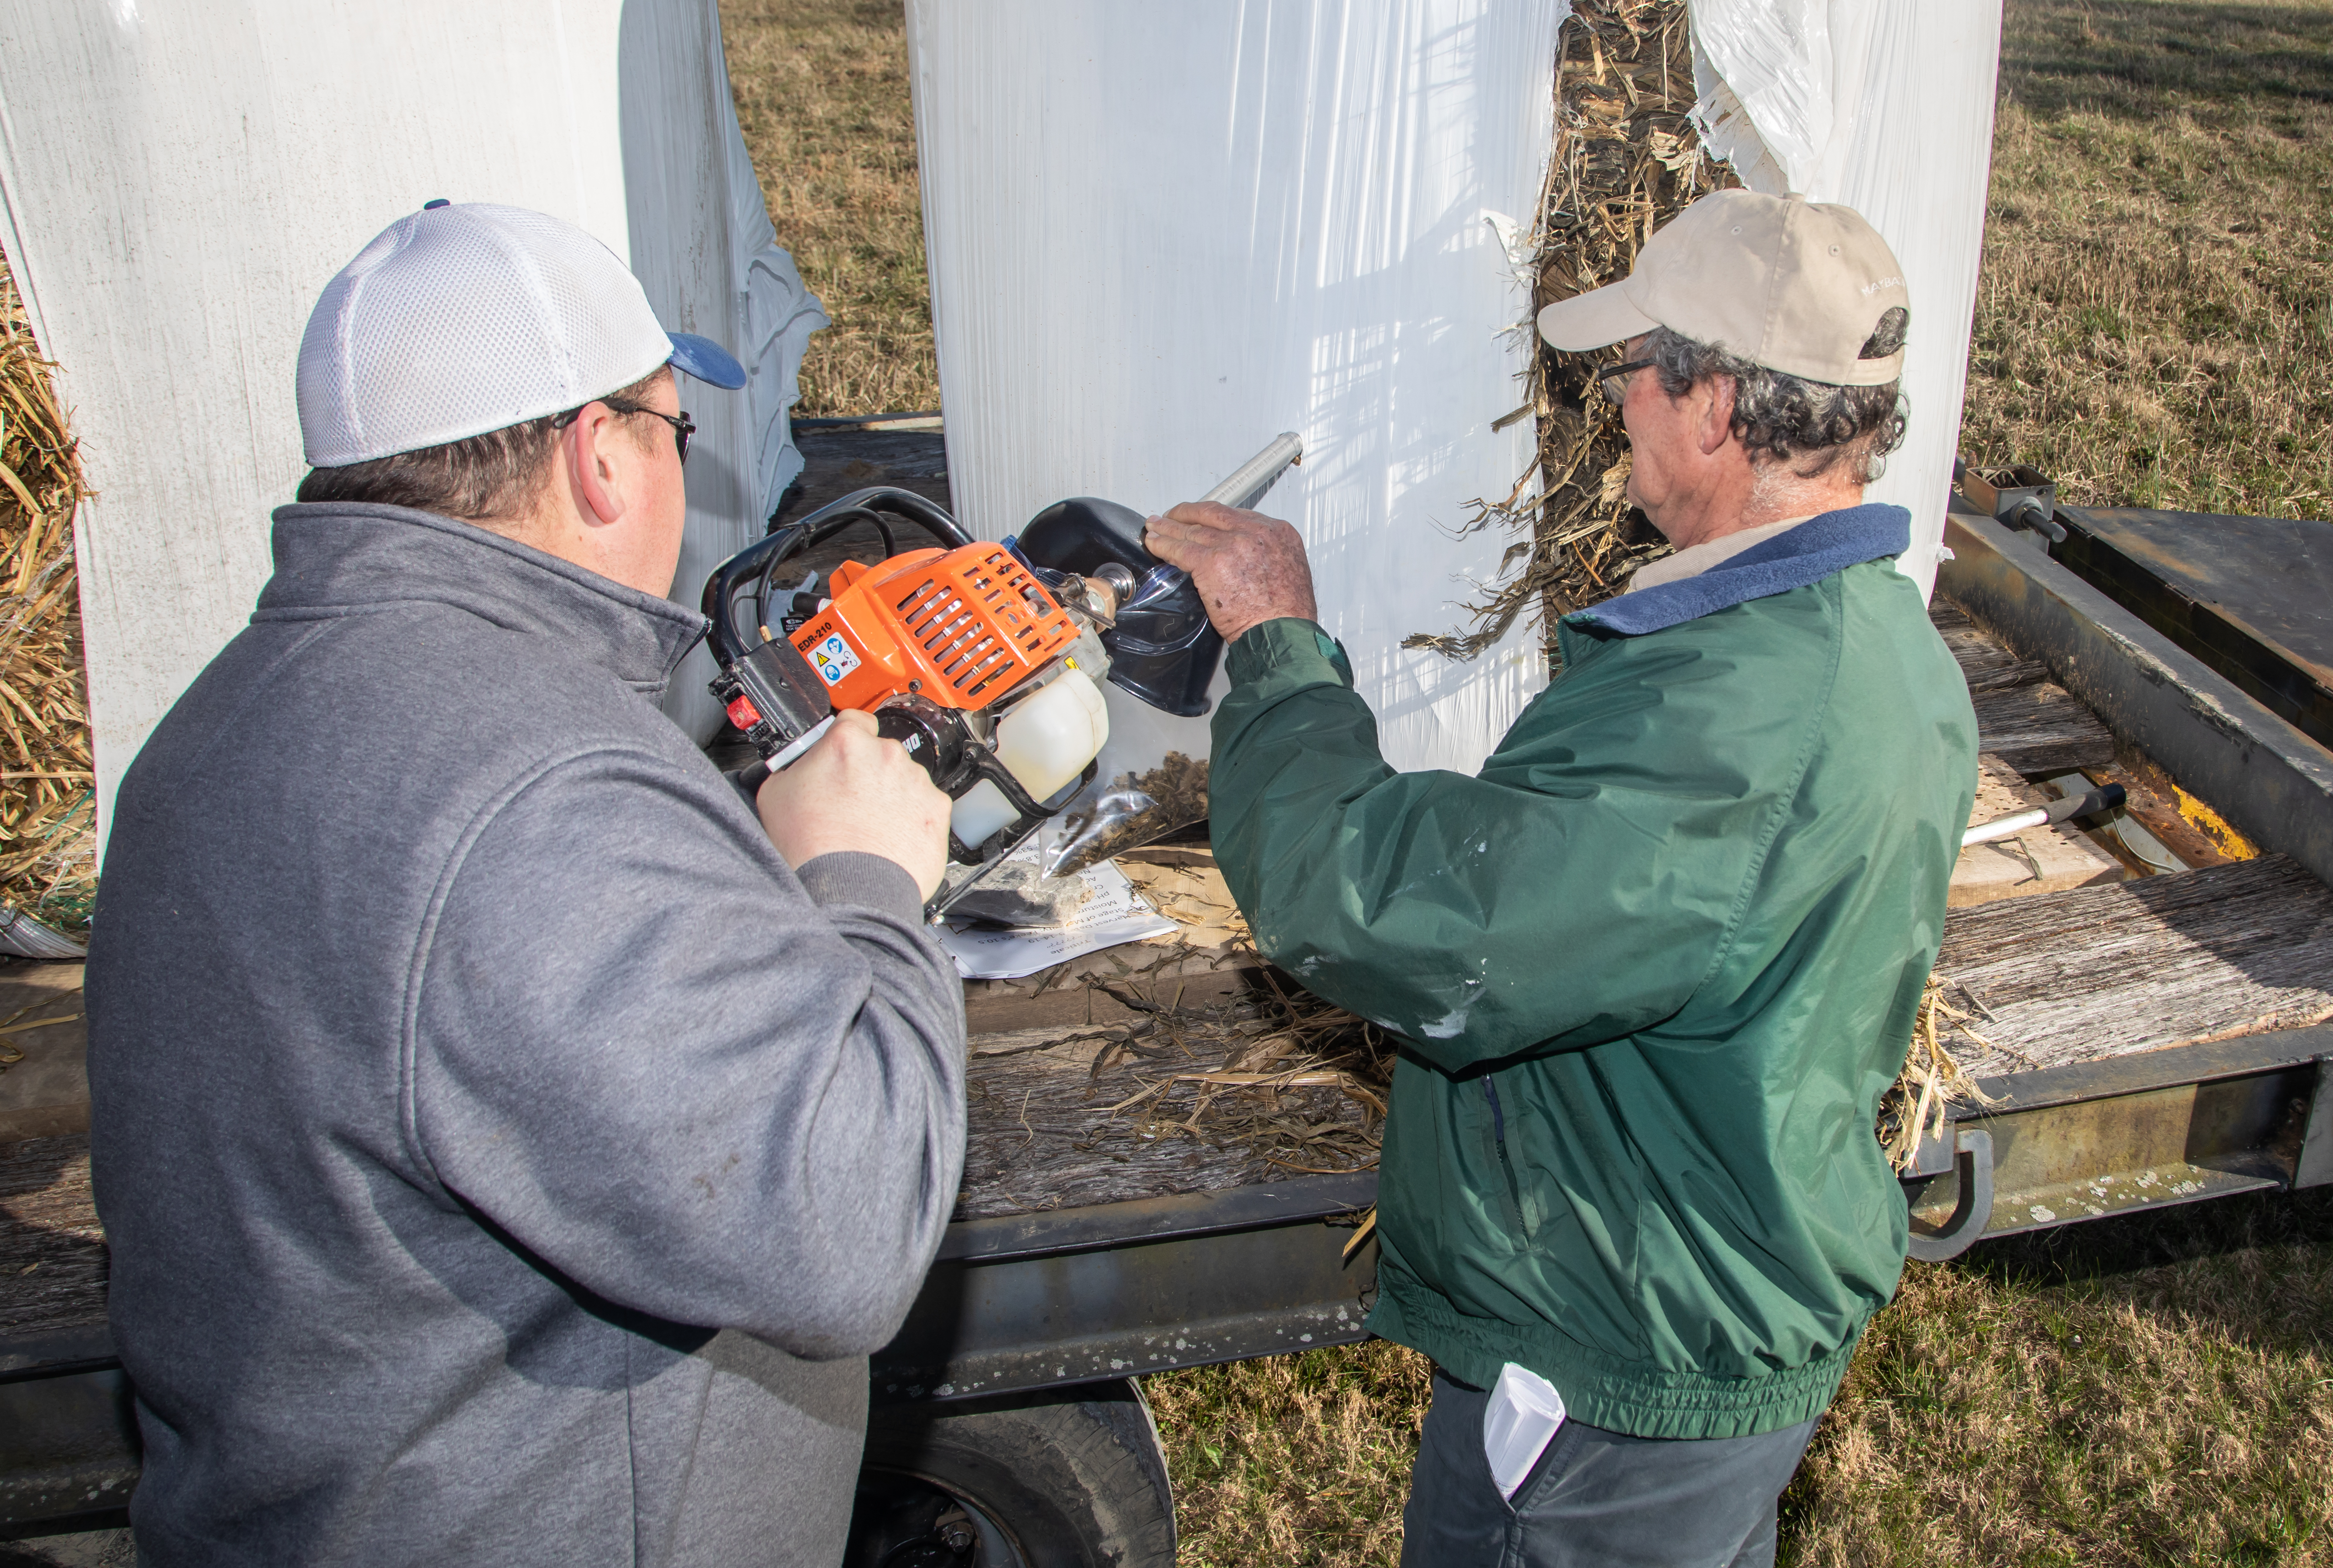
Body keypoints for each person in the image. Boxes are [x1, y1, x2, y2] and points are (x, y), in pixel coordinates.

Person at [86, 202, 961, 1565]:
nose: (678, 468)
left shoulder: (218, 723)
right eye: (674, 430)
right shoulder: (542, 783)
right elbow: (843, 1229)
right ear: (600, 456)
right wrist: (863, 878)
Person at [1144, 191, 1978, 1567]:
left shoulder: (1727, 716)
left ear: (1713, 407)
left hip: (1616, 1355)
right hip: (1699, 1283)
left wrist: (1282, 647)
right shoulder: (1879, 640)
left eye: (1637, 373)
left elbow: (1400, 918)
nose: (1619, 409)